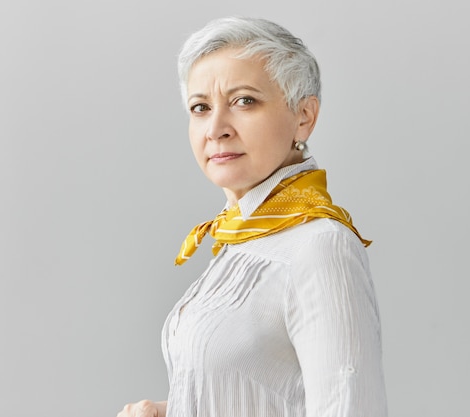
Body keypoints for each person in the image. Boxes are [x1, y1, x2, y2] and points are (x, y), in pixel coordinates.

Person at [117, 16, 387, 417]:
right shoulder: (243, 237)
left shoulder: (319, 245)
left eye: (245, 101)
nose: (216, 128)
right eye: (200, 107)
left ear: (304, 116)